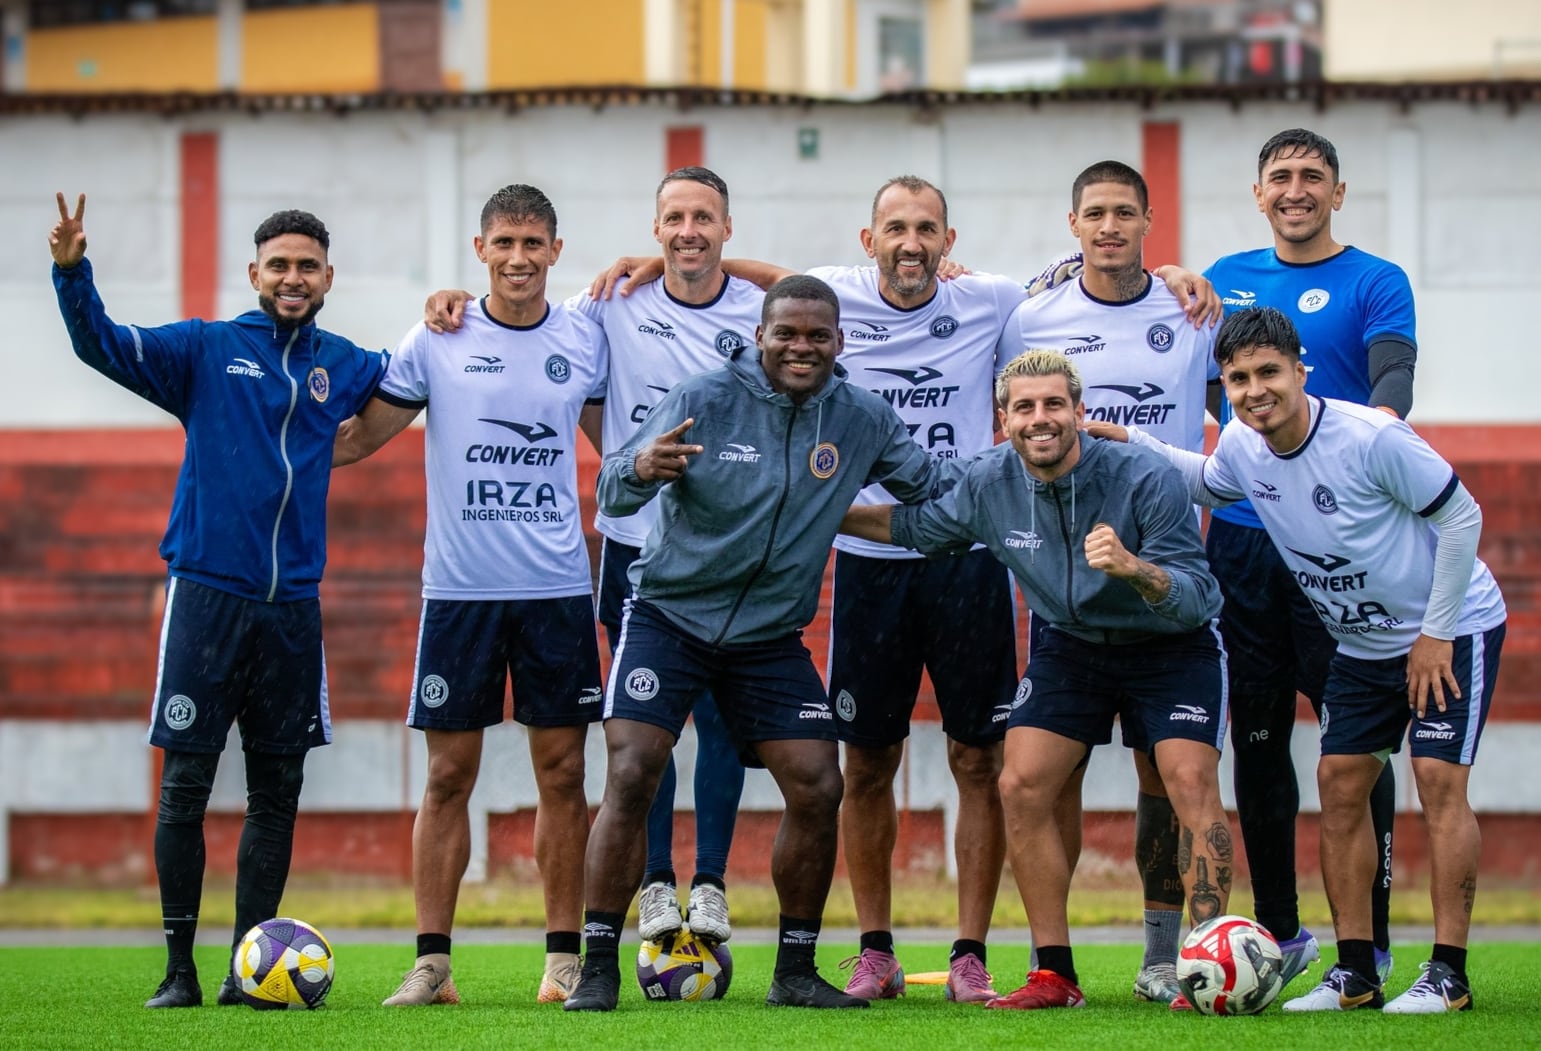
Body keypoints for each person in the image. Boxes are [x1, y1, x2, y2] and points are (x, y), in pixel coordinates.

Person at [563, 275, 956, 1012]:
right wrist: (641, 467)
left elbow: (932, 485)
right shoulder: (705, 397)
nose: (800, 346)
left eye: (816, 335)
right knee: (633, 767)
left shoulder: (861, 417)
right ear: (760, 336)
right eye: (786, 333)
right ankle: (596, 966)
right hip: (669, 616)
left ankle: (795, 972)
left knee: (819, 783)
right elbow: (614, 489)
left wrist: (1019, 472)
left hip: (769, 636)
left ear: (839, 342)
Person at [1102, 306, 1504, 1014]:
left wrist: (1435, 632)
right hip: (1361, 643)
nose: (1254, 389)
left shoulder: (1372, 437)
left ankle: (1448, 973)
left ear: (1299, 370)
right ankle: (1354, 972)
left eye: (1267, 372)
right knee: (1339, 782)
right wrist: (1129, 440)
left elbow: (1460, 516)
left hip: (1448, 628)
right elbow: (1210, 481)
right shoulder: (1241, 441)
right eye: (1236, 378)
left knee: (1438, 780)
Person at [48, 192, 387, 1008]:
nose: (293, 277)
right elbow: (102, 344)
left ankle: (248, 970)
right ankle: (177, 968)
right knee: (185, 789)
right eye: (279, 265)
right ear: (254, 273)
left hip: (293, 609)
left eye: (307, 265)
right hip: (206, 598)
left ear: (328, 276)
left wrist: (451, 312)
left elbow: (414, 378)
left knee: (277, 793)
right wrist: (71, 272)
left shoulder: (341, 363)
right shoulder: (205, 348)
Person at [841, 348, 1233, 1011]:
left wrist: (1136, 569)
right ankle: (1054, 972)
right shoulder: (990, 481)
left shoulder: (1145, 475)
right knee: (1019, 783)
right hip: (1072, 647)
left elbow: (1197, 595)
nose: (1040, 418)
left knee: (1187, 780)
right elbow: (913, 526)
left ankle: (1207, 961)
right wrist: (815, 511)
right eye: (1024, 407)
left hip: (1170, 645)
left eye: (1054, 404)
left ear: (1079, 412)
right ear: (1004, 419)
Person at [426, 167, 757, 948]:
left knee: (717, 718)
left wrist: (738, 269)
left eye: (704, 218)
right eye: (673, 217)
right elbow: (513, 312)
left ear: (726, 229)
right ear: (654, 228)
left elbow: (813, 291)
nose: (688, 232)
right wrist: (451, 301)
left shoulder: (755, 309)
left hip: (732, 548)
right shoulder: (604, 307)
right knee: (645, 720)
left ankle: (708, 881)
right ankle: (653, 883)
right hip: (636, 545)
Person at [333, 185, 607, 1006]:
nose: (518, 258)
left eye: (533, 243)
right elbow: (357, 440)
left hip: (556, 586)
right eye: (503, 243)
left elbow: (618, 444)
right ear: (479, 249)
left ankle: (563, 959)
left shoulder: (585, 338)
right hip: (458, 591)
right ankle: (432, 964)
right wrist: (262, 442)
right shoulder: (436, 337)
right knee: (448, 774)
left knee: (562, 773)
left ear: (556, 250)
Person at [996, 160, 1220, 1007]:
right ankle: (1054, 965)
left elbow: (1233, 431)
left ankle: (1170, 954)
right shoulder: (1032, 313)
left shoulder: (1192, 309)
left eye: (1125, 212)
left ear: (1149, 220)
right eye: (1094, 213)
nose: (1109, 226)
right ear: (1072, 223)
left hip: (1164, 574)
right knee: (1041, 776)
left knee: (1168, 779)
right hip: (1067, 591)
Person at [1202, 129, 1415, 985]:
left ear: (1336, 192)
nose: (1294, 190)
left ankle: (1370, 937)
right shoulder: (1219, 280)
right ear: (1258, 194)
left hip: (1342, 553)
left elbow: (1393, 386)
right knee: (1256, 744)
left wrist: (1374, 456)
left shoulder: (1375, 280)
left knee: (1356, 749)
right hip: (1245, 553)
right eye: (1279, 177)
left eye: (1311, 177)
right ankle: (1283, 936)